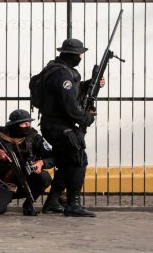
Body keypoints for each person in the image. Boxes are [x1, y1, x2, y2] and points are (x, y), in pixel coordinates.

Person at [39, 38, 104, 217]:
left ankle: (52, 201)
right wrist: (86, 118)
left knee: (66, 161)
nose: (80, 58)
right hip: (58, 126)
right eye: (79, 55)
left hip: (54, 124)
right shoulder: (62, 74)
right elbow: (69, 104)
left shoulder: (58, 70)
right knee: (78, 159)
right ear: (73, 55)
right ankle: (72, 204)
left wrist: (90, 83)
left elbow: (67, 94)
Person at [0, 109, 54, 216]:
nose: (27, 126)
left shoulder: (34, 137)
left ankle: (28, 204)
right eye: (23, 124)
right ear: (14, 125)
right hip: (6, 181)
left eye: (29, 123)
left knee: (44, 177)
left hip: (27, 177)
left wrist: (41, 163)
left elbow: (52, 157)